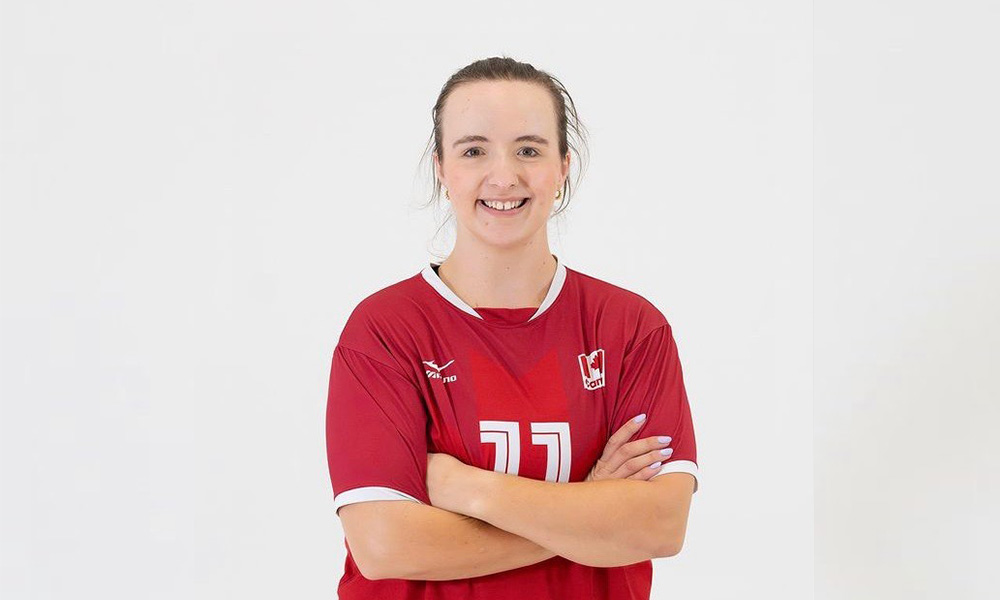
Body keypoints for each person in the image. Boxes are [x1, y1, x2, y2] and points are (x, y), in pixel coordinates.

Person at [325, 56, 699, 599]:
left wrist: (470, 488)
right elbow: (385, 547)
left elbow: (661, 525)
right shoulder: (384, 331)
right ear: (441, 167)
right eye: (474, 150)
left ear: (563, 166)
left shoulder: (629, 328)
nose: (504, 176)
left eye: (529, 149)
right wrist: (590, 508)